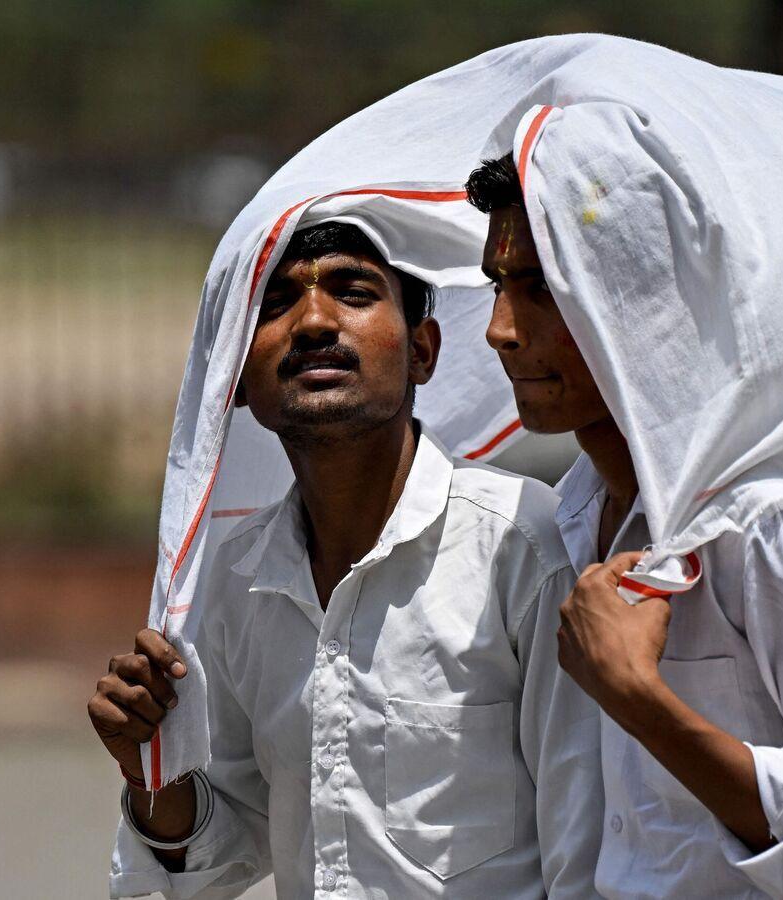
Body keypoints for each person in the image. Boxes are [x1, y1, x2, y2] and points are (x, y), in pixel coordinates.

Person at [88, 222, 602, 898]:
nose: (313, 322)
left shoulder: (521, 548)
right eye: (274, 306)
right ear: (236, 380)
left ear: (422, 350)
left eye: (353, 292)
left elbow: (588, 848)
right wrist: (153, 775)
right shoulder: (241, 576)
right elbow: (234, 841)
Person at [468, 154, 783, 899]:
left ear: (650, 301)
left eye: (544, 291)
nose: (500, 330)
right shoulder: (575, 511)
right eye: (498, 285)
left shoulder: (776, 519)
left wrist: (639, 698)